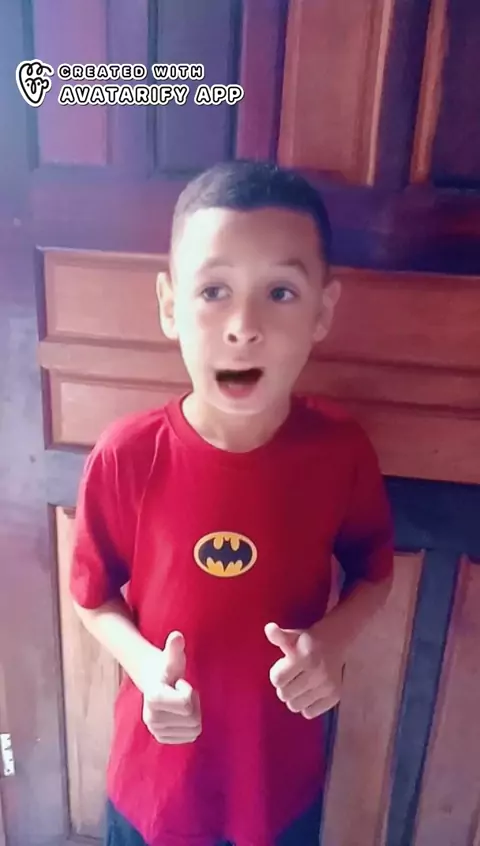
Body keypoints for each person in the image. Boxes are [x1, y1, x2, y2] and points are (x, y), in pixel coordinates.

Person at [70, 159, 394, 846]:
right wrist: (145, 668)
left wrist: (331, 643)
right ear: (169, 305)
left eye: (280, 292)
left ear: (322, 311)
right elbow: (92, 597)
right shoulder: (127, 455)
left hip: (278, 784)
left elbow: (375, 570)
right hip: (155, 785)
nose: (243, 326)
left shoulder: (339, 452)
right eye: (213, 290)